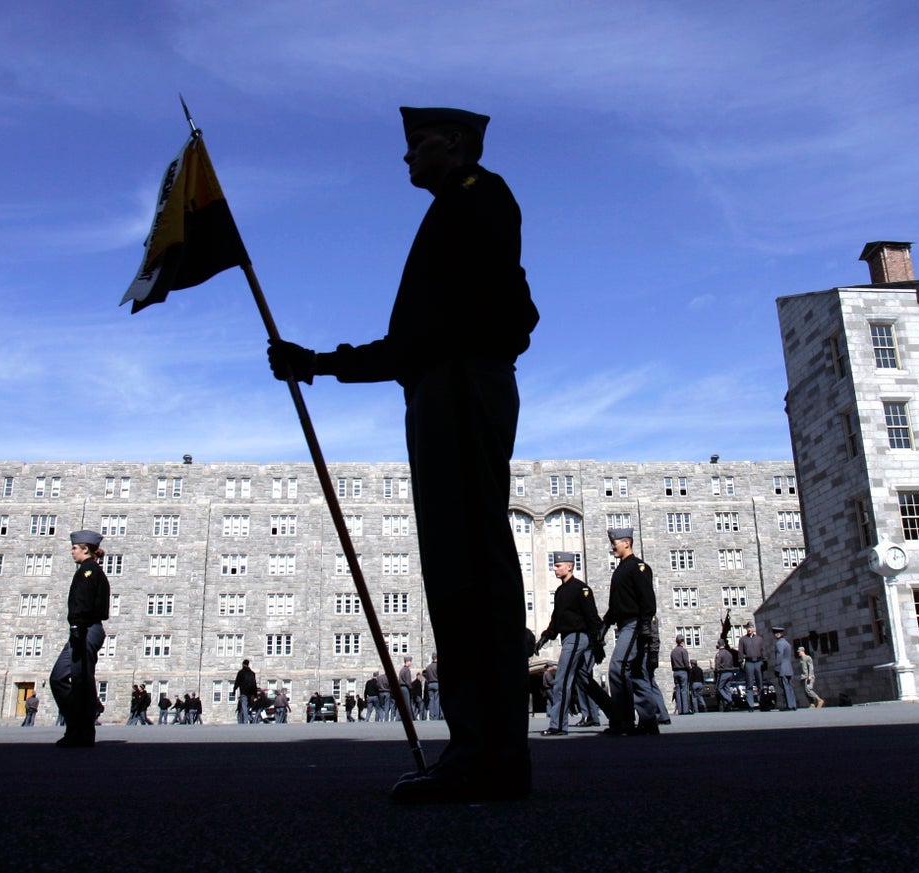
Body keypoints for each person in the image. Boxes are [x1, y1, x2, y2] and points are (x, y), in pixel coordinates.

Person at [268, 105, 538, 804]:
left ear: (454, 143)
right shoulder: (453, 208)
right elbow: (416, 338)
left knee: (470, 567)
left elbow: (485, 314)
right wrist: (320, 363)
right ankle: (484, 748)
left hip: (458, 383)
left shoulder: (480, 198)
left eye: (418, 144)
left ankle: (488, 754)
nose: (407, 158)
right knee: (456, 565)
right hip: (439, 386)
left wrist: (329, 362)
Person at [535, 552, 614, 735]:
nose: (555, 569)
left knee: (562, 679)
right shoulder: (561, 591)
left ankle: (558, 725)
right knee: (584, 680)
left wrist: (598, 644)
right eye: (555, 565)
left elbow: (592, 618)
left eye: (558, 566)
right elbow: (557, 619)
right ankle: (616, 715)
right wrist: (546, 637)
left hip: (577, 636)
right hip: (568, 637)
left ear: (569, 566)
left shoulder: (581, 589)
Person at [50, 529, 111, 748]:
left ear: (85, 549)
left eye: (75, 548)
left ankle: (81, 729)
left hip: (86, 629)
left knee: (81, 681)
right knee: (63, 678)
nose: (72, 551)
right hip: (84, 629)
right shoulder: (88, 570)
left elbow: (83, 602)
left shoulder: (89, 571)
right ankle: (79, 722)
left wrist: (76, 625)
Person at [600, 528, 662, 735]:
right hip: (625, 624)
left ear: (627, 542)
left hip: (635, 624)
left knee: (618, 668)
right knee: (637, 673)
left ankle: (624, 722)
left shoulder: (638, 567)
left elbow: (647, 599)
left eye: (615, 542)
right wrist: (605, 624)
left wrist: (646, 624)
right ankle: (648, 722)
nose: (612, 547)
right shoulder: (620, 570)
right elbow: (616, 604)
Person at [737, 621, 765, 712]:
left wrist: (764, 661)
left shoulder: (759, 639)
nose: (749, 629)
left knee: (760, 683)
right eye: (748, 628)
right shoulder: (743, 639)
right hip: (749, 662)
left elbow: (763, 650)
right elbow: (740, 652)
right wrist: (741, 662)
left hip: (758, 661)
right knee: (749, 684)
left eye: (751, 627)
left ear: (753, 629)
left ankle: (762, 703)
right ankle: (751, 705)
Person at [771, 627, 797, 710]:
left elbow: (779, 656)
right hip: (789, 667)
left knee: (785, 687)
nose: (775, 635)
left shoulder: (779, 644)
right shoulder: (787, 643)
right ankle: (793, 705)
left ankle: (789, 705)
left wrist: (777, 668)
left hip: (782, 668)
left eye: (776, 633)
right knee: (790, 687)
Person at [670, 635, 692, 715]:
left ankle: (680, 709)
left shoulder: (673, 651)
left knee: (678, 690)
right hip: (683, 671)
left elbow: (672, 662)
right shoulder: (683, 651)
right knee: (684, 690)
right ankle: (685, 709)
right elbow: (686, 663)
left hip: (675, 671)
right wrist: (689, 670)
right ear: (682, 641)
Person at [233, 659, 257, 724]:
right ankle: (249, 718)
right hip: (251, 692)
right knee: (248, 706)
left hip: (243, 692)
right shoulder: (252, 673)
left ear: (243, 664)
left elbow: (237, 682)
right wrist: (255, 694)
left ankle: (246, 720)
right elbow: (254, 684)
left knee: (244, 705)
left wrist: (234, 690)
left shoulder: (241, 672)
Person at [422, 654, 441, 721]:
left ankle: (431, 716)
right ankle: (436, 716)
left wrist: (428, 679)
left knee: (431, 700)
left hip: (430, 684)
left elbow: (424, 674)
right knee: (437, 700)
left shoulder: (428, 667)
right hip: (436, 683)